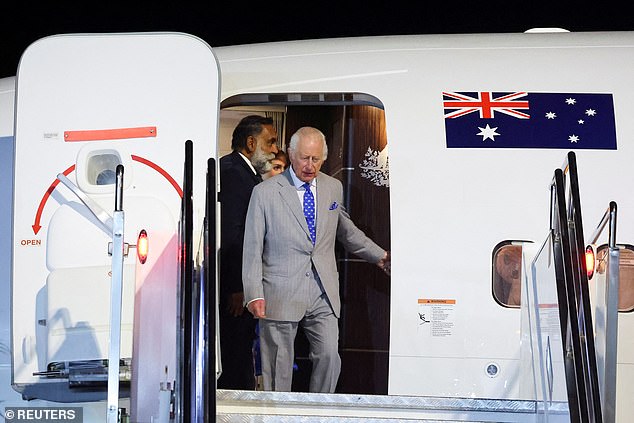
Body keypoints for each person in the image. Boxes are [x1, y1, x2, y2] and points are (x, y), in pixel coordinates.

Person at [242, 126, 390, 393]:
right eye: (304, 158)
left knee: (329, 357)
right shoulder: (265, 192)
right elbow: (252, 247)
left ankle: (318, 412)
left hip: (323, 291)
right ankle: (278, 417)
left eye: (316, 159)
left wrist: (380, 256)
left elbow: (346, 230)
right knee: (278, 366)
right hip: (280, 290)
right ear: (291, 154)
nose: (310, 166)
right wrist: (253, 293)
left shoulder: (333, 187)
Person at [218, 115, 278, 389]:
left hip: (241, 283)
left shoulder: (245, 174)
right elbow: (232, 235)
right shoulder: (232, 172)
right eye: (271, 142)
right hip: (235, 288)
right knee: (235, 355)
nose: (275, 149)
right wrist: (236, 287)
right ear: (251, 143)